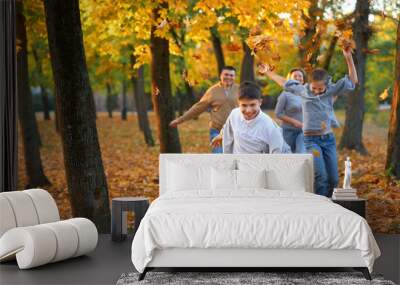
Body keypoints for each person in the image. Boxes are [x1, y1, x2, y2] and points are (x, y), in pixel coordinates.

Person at [259, 47, 358, 197]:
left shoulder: (332, 90)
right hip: (311, 141)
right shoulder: (303, 90)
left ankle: (330, 204)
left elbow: (353, 81)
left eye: (321, 89)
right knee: (321, 177)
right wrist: (267, 72)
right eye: (314, 88)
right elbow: (283, 82)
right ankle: (320, 206)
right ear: (308, 83)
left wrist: (348, 58)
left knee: (333, 179)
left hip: (328, 140)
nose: (317, 91)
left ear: (327, 85)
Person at [169, 66, 239, 153]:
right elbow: (198, 107)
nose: (228, 77)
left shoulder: (240, 90)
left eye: (231, 75)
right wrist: (181, 119)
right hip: (216, 130)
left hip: (235, 131)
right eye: (226, 74)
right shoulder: (213, 91)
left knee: (234, 159)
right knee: (218, 156)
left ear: (234, 77)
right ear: (221, 75)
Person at [212, 81, 290, 154]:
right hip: (238, 164)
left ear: (260, 102)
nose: (248, 110)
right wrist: (222, 135)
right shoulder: (234, 114)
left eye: (252, 105)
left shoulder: (269, 127)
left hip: (257, 166)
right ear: (238, 103)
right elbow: (228, 127)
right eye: (244, 105)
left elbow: (277, 155)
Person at [274, 68, 306, 153]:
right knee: (287, 155)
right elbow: (278, 113)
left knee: (301, 152)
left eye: (300, 76)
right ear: (289, 79)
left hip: (303, 131)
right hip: (288, 131)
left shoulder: (308, 93)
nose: (298, 78)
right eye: (295, 76)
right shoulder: (285, 95)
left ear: (303, 80)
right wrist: (294, 122)